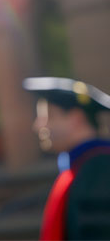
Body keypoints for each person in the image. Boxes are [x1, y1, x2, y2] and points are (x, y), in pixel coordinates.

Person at [24, 76, 110, 240]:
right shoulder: (82, 165)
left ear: (75, 119)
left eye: (48, 116)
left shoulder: (99, 168)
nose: (38, 126)